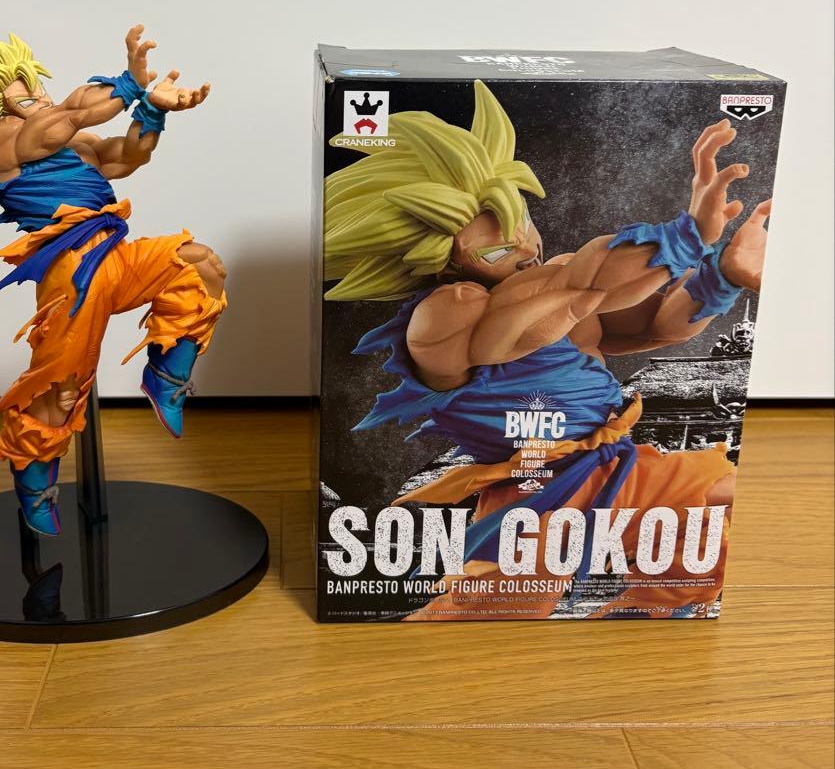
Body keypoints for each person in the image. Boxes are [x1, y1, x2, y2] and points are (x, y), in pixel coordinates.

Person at [324, 81, 771, 617]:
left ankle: (636, 624)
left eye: (523, 222)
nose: (525, 248)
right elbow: (574, 289)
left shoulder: (558, 283)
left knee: (722, 507)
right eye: (496, 248)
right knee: (488, 617)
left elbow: (658, 326)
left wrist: (723, 276)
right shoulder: (446, 314)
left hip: (619, 468)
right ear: (442, 261)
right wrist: (688, 235)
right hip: (535, 499)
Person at [0, 26, 226, 535]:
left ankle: (166, 379)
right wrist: (129, 82)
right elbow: (70, 114)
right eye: (25, 94)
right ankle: (34, 484)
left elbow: (127, 156)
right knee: (62, 389)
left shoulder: (74, 143)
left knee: (200, 264)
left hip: (115, 255)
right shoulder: (2, 142)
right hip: (71, 275)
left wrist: (151, 111)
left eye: (37, 87)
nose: (40, 98)